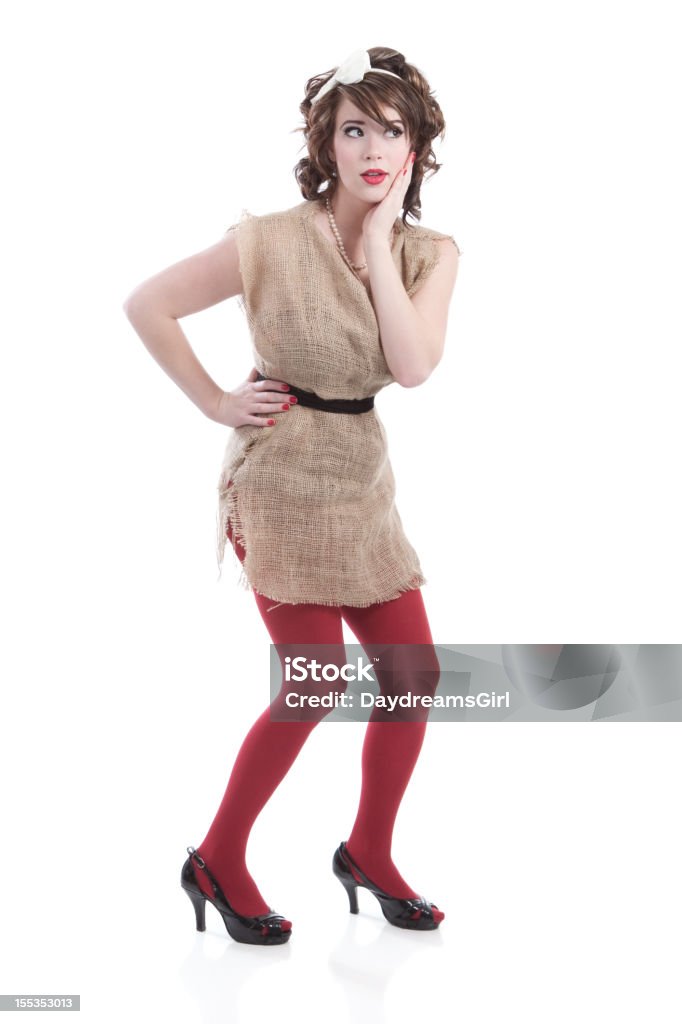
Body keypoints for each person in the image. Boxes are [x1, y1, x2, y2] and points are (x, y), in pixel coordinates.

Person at [123, 46, 461, 946]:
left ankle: (369, 850)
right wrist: (214, 401)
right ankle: (218, 858)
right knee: (313, 683)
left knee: (411, 679)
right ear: (327, 141)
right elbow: (148, 302)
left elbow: (414, 367)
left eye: (393, 129)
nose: (373, 147)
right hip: (277, 475)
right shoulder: (269, 239)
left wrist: (381, 243)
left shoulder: (431, 254)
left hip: (360, 476)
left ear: (417, 147)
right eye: (355, 129)